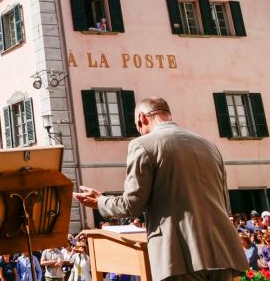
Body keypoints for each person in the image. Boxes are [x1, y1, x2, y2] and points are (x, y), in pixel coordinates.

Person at [74, 96, 248, 281]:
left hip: (180, 255)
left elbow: (131, 205)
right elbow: (225, 202)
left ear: (142, 118)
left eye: (137, 126)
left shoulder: (142, 144)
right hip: (223, 250)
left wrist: (101, 201)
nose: (140, 131)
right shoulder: (209, 146)